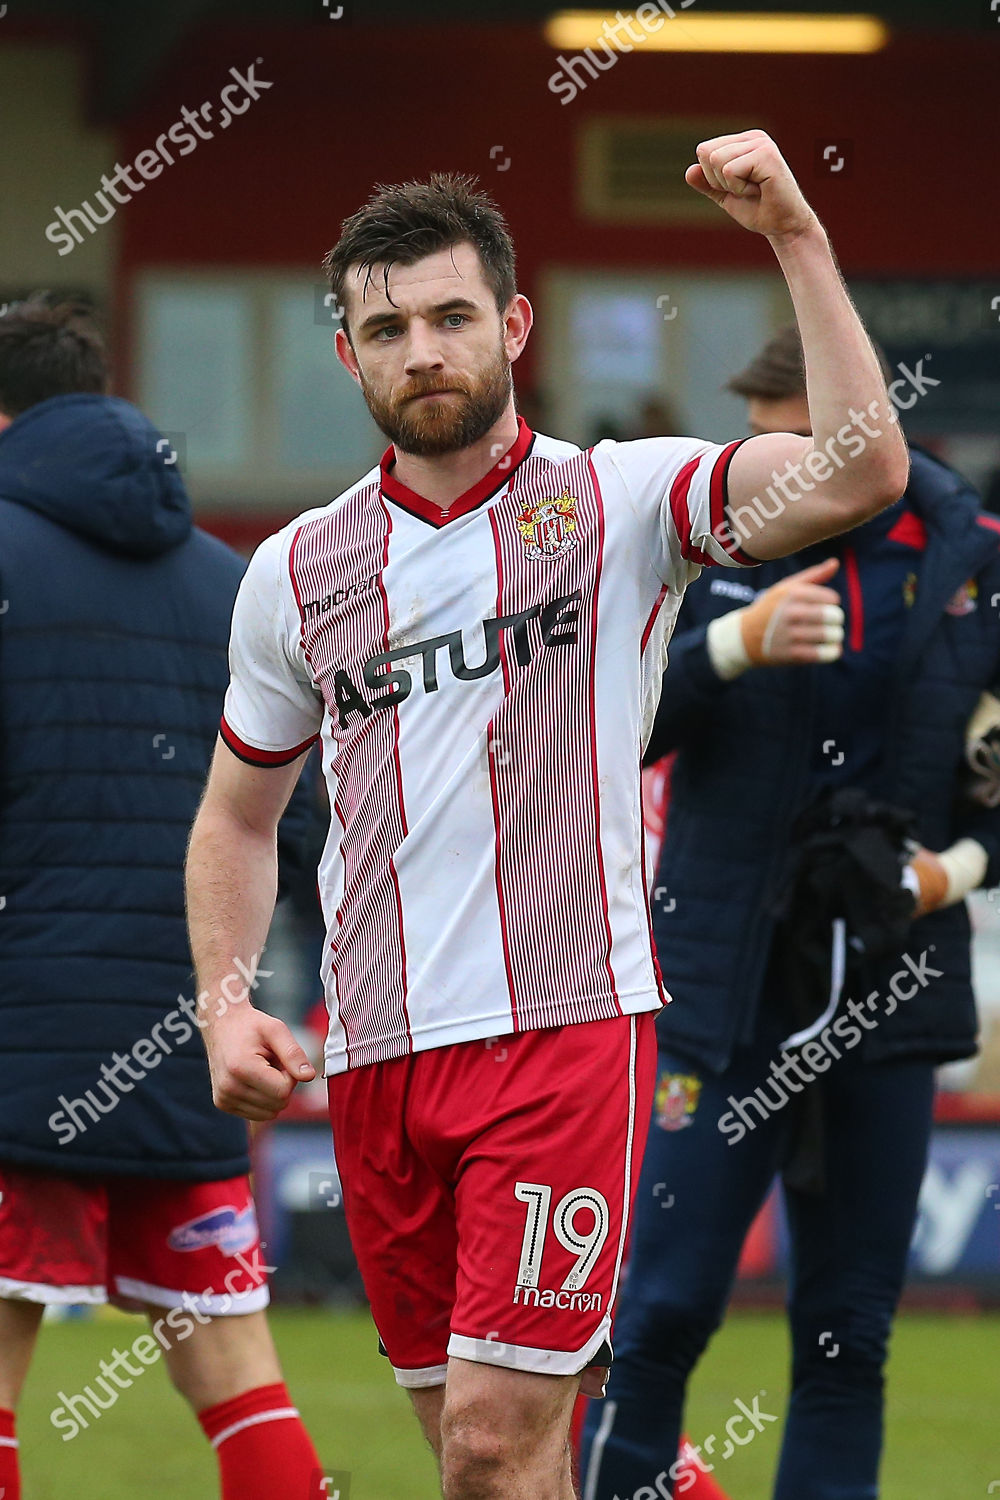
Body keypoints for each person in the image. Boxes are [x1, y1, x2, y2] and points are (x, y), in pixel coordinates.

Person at [185, 132, 908, 1500]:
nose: (424, 350)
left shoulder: (623, 499)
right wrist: (226, 1001)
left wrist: (797, 238)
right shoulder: (295, 571)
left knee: (487, 1447)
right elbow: (234, 817)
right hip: (381, 1058)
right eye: (387, 328)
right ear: (350, 357)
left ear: (513, 324)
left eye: (454, 316)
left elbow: (862, 476)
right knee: (532, 1451)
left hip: (564, 1035)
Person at [579, 324, 1000, 1500]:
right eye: (756, 445)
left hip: (893, 996)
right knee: (655, 1316)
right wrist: (729, 644)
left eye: (784, 443)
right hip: (719, 992)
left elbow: (996, 795)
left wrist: (945, 876)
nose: (762, 475)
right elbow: (605, 738)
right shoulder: (705, 545)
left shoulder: (973, 562)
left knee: (845, 1337)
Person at [0, 300, 326, 1500]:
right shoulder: (233, 583)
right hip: (190, 1041)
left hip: (18, 1043)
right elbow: (296, 814)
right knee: (237, 1370)